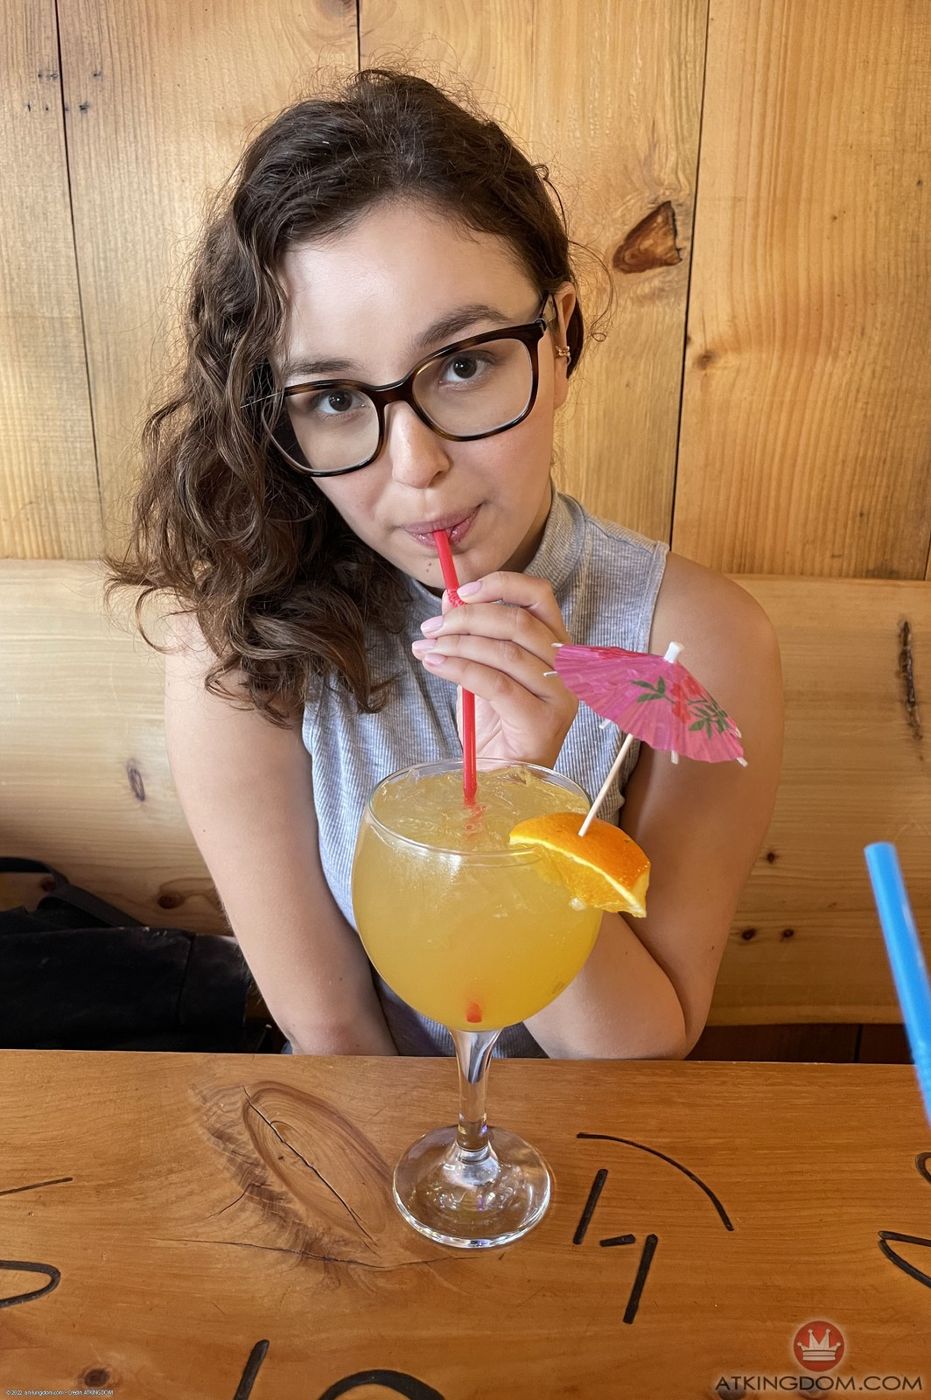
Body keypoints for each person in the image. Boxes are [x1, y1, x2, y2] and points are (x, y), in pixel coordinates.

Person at [107, 69, 783, 1060]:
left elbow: (639, 1056)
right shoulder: (243, 642)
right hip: (369, 1128)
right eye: (335, 399)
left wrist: (524, 806)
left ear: (558, 338)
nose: (415, 465)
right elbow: (332, 1030)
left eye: (464, 364)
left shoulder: (692, 650)